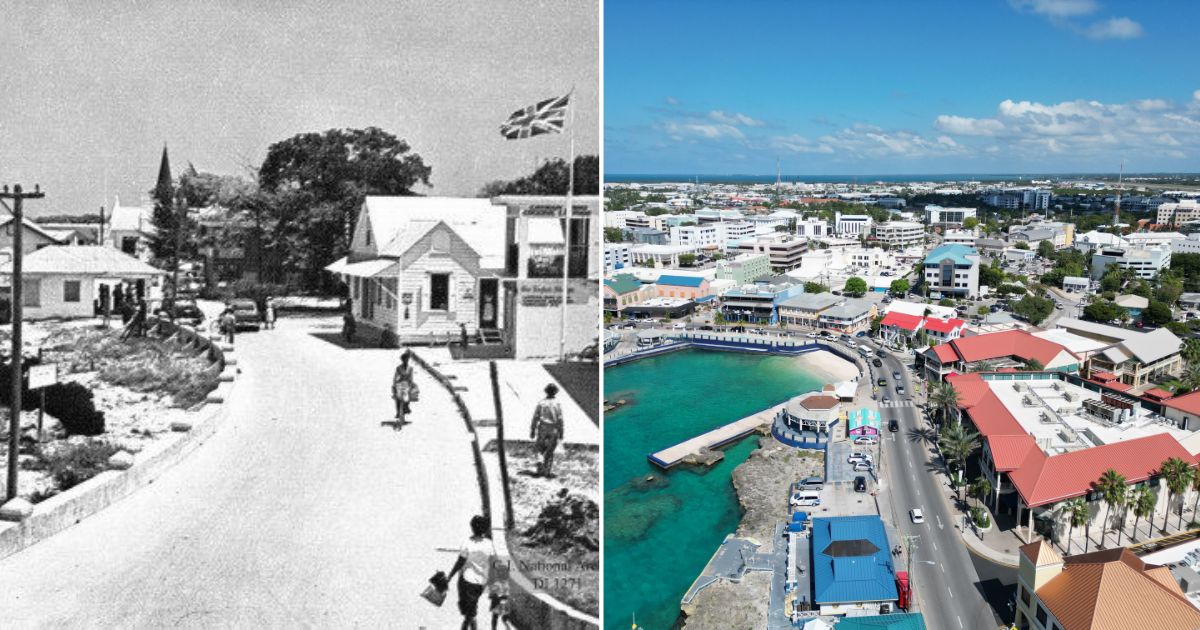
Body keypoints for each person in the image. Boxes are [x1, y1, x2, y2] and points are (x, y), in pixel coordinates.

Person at [447, 515, 495, 630]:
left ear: (472, 527)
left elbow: (460, 562)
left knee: (468, 612)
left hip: (465, 581)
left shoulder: (467, 542)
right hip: (480, 583)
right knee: (471, 611)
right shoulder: (489, 544)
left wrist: (449, 576)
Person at [530, 383, 564, 478]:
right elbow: (560, 418)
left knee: (540, 448)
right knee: (550, 450)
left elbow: (535, 417)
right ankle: (547, 471)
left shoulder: (541, 403)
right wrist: (561, 432)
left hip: (543, 427)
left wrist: (532, 429)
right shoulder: (557, 404)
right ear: (555, 392)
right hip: (553, 428)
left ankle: (540, 462)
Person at [392, 350, 416, 426]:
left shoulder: (411, 368)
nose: (406, 361)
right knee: (398, 398)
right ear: (402, 360)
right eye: (404, 359)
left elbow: (411, 378)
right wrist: (394, 385)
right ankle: (398, 412)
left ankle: (406, 409)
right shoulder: (398, 368)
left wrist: (411, 385)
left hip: (407, 384)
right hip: (400, 384)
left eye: (407, 359)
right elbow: (395, 377)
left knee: (408, 397)